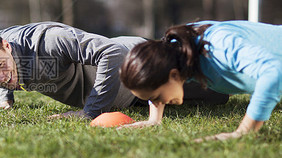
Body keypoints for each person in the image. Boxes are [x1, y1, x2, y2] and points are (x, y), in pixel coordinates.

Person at [0, 22, 228, 121]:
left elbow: (112, 53)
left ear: (7, 46)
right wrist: (6, 99)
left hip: (140, 67)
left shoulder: (50, 40)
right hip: (131, 95)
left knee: (221, 90)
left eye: (1, 68)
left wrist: (89, 112)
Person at [119, 20, 282, 141]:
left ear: (174, 75)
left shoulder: (218, 46)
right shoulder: (176, 51)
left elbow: (273, 72)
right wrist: (154, 119)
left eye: (156, 97)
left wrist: (244, 131)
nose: (157, 102)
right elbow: (156, 74)